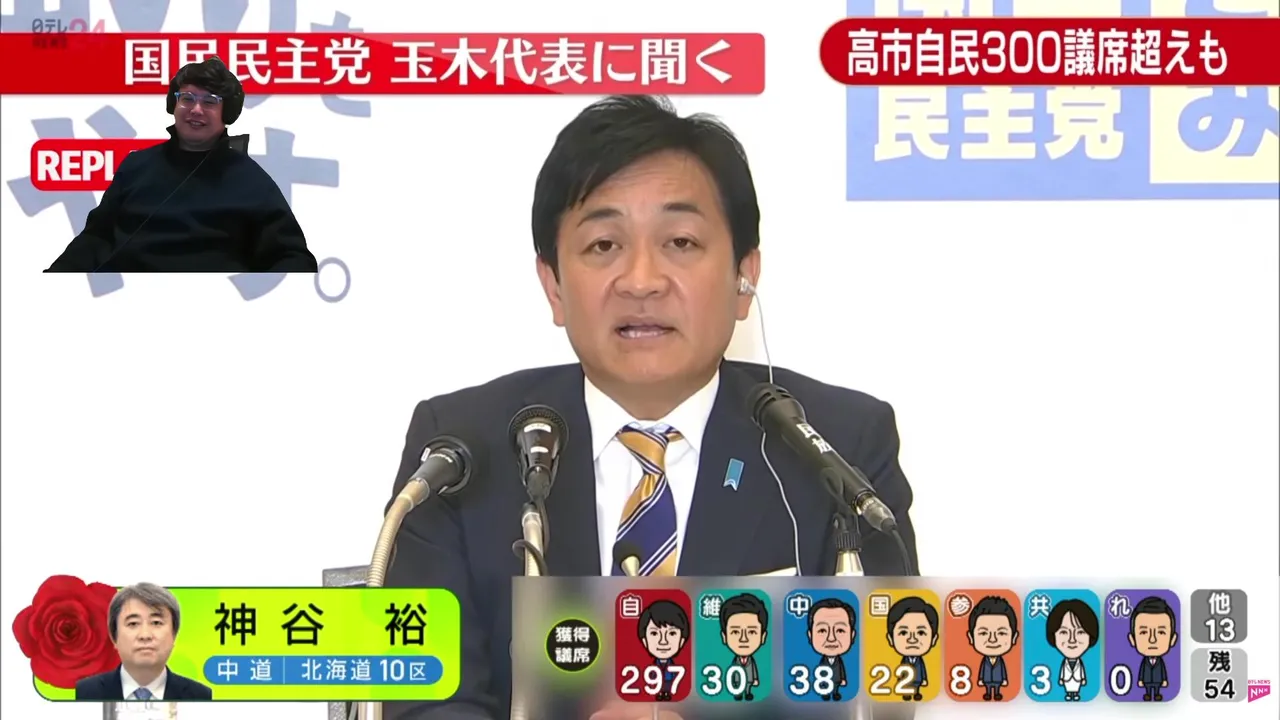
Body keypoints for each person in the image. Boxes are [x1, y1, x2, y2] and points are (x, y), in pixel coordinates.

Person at [381, 95, 918, 720]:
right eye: (603, 245)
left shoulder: (836, 446)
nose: (641, 280)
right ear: (554, 286)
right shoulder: (460, 451)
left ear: (744, 277)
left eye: (681, 241)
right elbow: (418, 702)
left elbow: (885, 698)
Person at [46, 57, 317, 273]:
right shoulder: (136, 165)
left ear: (228, 113)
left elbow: (293, 256)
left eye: (210, 102)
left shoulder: (251, 179)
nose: (196, 109)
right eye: (187, 98)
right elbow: (96, 237)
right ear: (173, 105)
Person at [74, 583, 212, 701]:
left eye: (156, 622)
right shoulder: (85, 693)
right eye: (133, 623)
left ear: (174, 634)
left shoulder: (200, 697)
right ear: (114, 636)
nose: (145, 635)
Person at [964, 595, 1018, 701]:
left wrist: (1004, 679)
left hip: (998, 679)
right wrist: (980, 679)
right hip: (987, 680)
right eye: (984, 633)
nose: (992, 639)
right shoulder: (985, 661)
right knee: (988, 688)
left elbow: (1003, 670)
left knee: (997, 688)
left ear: (1014, 637)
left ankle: (997, 693)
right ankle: (988, 694)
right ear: (971, 637)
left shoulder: (1000, 661)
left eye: (1001, 633)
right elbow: (982, 670)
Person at [886, 596, 938, 702]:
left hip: (917, 680)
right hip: (905, 682)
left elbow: (923, 669)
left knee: (916, 688)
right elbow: (901, 669)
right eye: (903, 633)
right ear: (891, 639)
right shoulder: (904, 660)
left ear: (933, 639)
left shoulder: (920, 661)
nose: (912, 639)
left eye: (921, 633)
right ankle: (907, 694)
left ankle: (917, 693)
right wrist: (899, 678)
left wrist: (924, 679)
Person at [637, 600, 689, 701]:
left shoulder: (675, 667)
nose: (663, 641)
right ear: (644, 641)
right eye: (654, 633)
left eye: (672, 633)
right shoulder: (651, 667)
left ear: (682, 640)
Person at [1047, 598, 1098, 701]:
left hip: (1077, 681)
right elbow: (1062, 672)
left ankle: (1075, 694)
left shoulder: (1081, 664)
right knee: (1069, 687)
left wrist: (1083, 679)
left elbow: (1082, 672)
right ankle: (1069, 694)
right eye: (1064, 632)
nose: (1072, 640)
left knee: (1075, 687)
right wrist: (1061, 679)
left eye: (1080, 632)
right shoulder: (1064, 664)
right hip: (1067, 681)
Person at [1129, 596, 1178, 702]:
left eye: (1161, 632)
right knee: (1147, 689)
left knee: (1156, 689)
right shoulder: (1144, 661)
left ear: (1172, 639)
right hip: (1147, 680)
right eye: (1144, 632)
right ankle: (1147, 694)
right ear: (1132, 639)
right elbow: (1142, 670)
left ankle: (1157, 694)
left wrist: (1164, 680)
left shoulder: (1160, 662)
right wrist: (1140, 680)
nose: (1152, 639)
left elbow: (1163, 671)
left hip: (1157, 680)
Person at [806, 597, 855, 701]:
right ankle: (826, 693)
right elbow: (820, 669)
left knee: (835, 687)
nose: (831, 638)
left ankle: (835, 693)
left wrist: (843, 679)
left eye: (840, 630)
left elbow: (842, 669)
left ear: (852, 635)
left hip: (836, 679)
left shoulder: (839, 661)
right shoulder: (823, 661)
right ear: (810, 636)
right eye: (822, 630)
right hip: (824, 680)